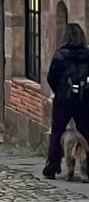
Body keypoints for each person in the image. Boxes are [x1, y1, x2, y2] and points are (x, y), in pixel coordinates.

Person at [43, 23, 89, 179]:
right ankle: (87, 168)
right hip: (83, 100)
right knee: (86, 132)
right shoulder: (87, 55)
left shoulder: (60, 55)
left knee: (57, 133)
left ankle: (52, 167)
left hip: (63, 100)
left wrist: (61, 91)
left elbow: (51, 78)